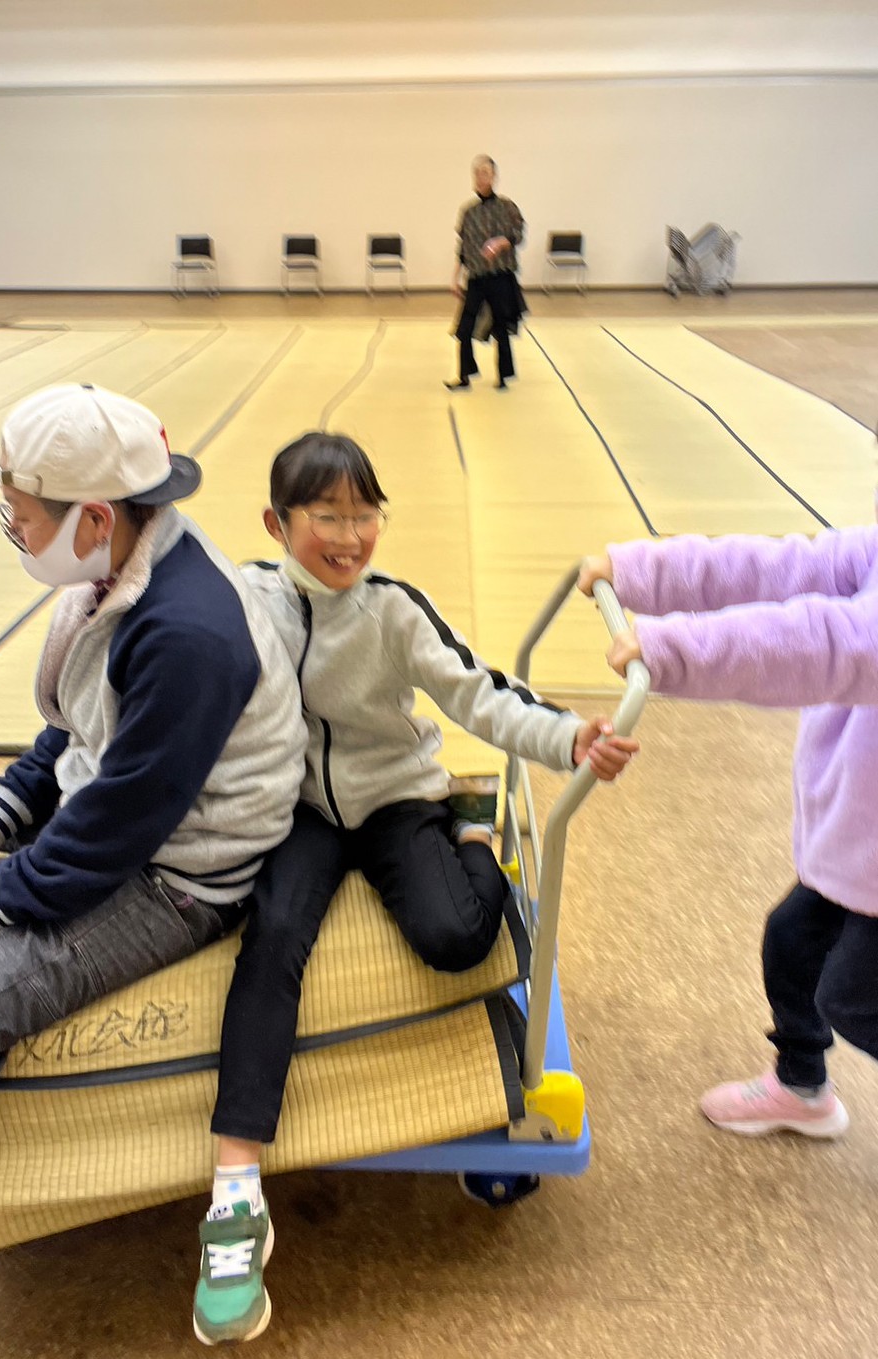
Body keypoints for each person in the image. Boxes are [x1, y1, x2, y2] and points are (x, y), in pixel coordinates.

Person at [192, 431, 639, 1345]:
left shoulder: (392, 610)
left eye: (365, 514)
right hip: (299, 809)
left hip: (397, 797)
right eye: (327, 515)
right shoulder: (245, 598)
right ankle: (235, 1192)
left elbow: (480, 692)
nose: (349, 535)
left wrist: (568, 738)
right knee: (271, 937)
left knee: (457, 937)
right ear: (277, 523)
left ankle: (469, 829)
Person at [0, 383, 306, 1267]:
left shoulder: (188, 633)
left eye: (21, 522)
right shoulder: (119, 568)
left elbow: (110, 830)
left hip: (176, 878)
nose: (17, 536)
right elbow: (80, 722)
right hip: (126, 818)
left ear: (94, 518)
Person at [579, 485, 878, 1141]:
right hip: (861, 850)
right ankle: (801, 1086)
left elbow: (835, 644)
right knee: (792, 941)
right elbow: (783, 567)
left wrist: (675, 649)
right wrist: (641, 573)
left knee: (853, 996)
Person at [446, 154, 526, 392]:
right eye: (478, 173)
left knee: (501, 327)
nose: (481, 178)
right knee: (464, 328)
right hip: (477, 278)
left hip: (501, 276)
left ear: (494, 177)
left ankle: (503, 377)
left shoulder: (507, 207)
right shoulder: (468, 212)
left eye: (486, 173)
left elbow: (518, 235)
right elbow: (463, 248)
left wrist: (501, 242)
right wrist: (455, 278)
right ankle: (464, 376)